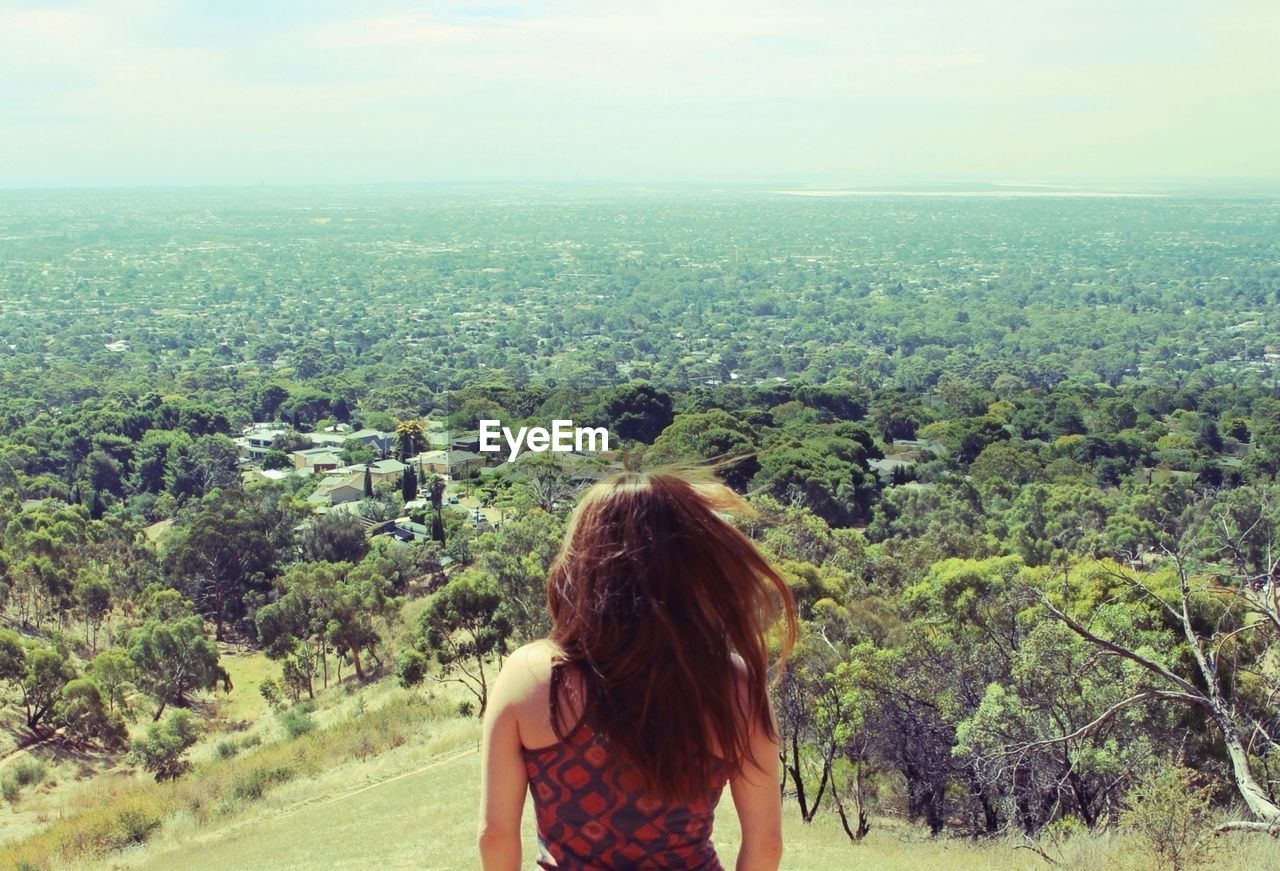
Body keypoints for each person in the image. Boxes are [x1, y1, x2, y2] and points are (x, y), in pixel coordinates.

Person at [478, 465, 798, 870]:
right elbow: (766, 844)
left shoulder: (528, 675)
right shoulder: (736, 685)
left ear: (581, 564)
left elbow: (495, 836)